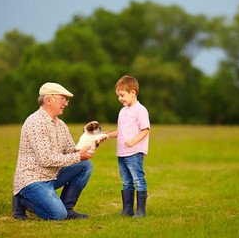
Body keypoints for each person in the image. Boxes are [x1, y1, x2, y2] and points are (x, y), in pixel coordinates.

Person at [12, 82, 106, 221]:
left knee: (85, 166)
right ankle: (21, 201)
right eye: (62, 99)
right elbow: (46, 159)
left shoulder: (61, 125)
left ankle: (68, 209)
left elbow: (72, 151)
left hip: (51, 175)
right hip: (32, 180)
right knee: (57, 215)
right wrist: (78, 156)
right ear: (49, 100)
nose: (66, 103)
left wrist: (92, 142)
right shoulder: (35, 122)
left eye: (65, 100)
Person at [106, 75, 150, 218]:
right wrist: (107, 135)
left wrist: (133, 142)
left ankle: (141, 211)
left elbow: (145, 130)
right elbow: (121, 131)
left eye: (122, 95)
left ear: (133, 92)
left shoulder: (140, 110)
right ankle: (127, 210)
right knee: (126, 182)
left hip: (134, 152)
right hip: (122, 153)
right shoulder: (123, 111)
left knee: (138, 180)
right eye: (118, 96)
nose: (120, 98)